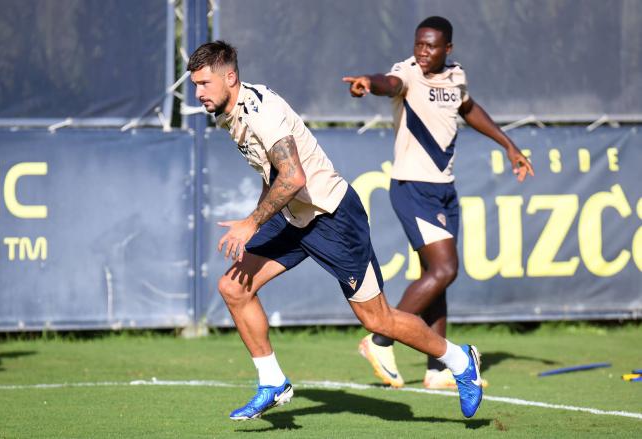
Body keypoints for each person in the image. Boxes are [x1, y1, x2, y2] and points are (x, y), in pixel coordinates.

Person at [188, 40, 483, 420]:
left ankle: (460, 362)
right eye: (195, 85)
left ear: (230, 77)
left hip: (331, 217)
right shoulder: (230, 111)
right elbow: (273, 173)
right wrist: (255, 217)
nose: (198, 93)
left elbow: (294, 176)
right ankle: (272, 381)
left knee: (377, 320)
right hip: (294, 215)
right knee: (233, 287)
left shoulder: (261, 112)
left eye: (204, 84)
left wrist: (251, 223)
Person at [343, 16, 534, 390]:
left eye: (430, 46)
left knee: (436, 279)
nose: (423, 52)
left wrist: (509, 145)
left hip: (444, 189)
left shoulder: (454, 76)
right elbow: (389, 83)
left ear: (448, 49)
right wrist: (371, 83)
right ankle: (380, 339)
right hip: (413, 187)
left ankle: (438, 367)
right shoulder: (409, 73)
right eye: (418, 44)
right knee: (446, 269)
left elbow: (468, 109)